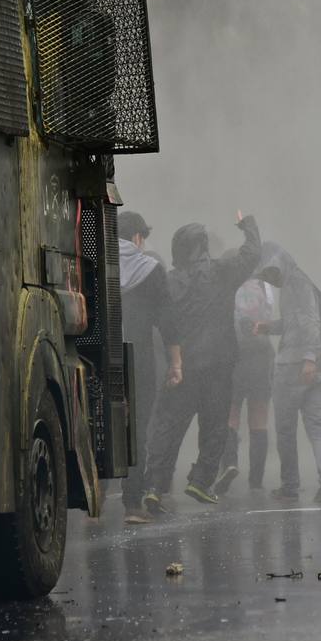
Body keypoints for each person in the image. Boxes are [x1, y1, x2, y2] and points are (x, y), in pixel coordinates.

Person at [142, 213, 261, 513]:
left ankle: (155, 486)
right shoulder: (222, 271)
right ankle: (201, 481)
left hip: (182, 365)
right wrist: (248, 224)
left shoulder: (169, 280)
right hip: (219, 366)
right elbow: (252, 254)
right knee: (215, 427)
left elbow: (159, 321)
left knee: (169, 427)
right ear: (203, 245)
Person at [257, 243, 321, 504]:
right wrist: (269, 327)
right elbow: (295, 323)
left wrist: (308, 359)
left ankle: (290, 485)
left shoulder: (297, 284)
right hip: (314, 365)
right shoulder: (298, 281)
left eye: (271, 273)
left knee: (286, 428)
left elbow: (310, 321)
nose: (271, 279)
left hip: (295, 368)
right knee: (316, 423)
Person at [116, 211, 182, 525]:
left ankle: (93, 502)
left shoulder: (94, 263)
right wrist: (176, 363)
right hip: (137, 358)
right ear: (139, 237)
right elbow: (168, 322)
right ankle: (132, 504)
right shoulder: (151, 270)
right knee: (136, 428)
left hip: (96, 357)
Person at [214, 276, 276, 494]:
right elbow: (270, 315)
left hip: (235, 357)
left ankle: (230, 463)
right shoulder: (265, 287)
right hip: (261, 356)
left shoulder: (228, 287)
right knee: (259, 418)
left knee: (231, 414)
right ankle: (256, 480)